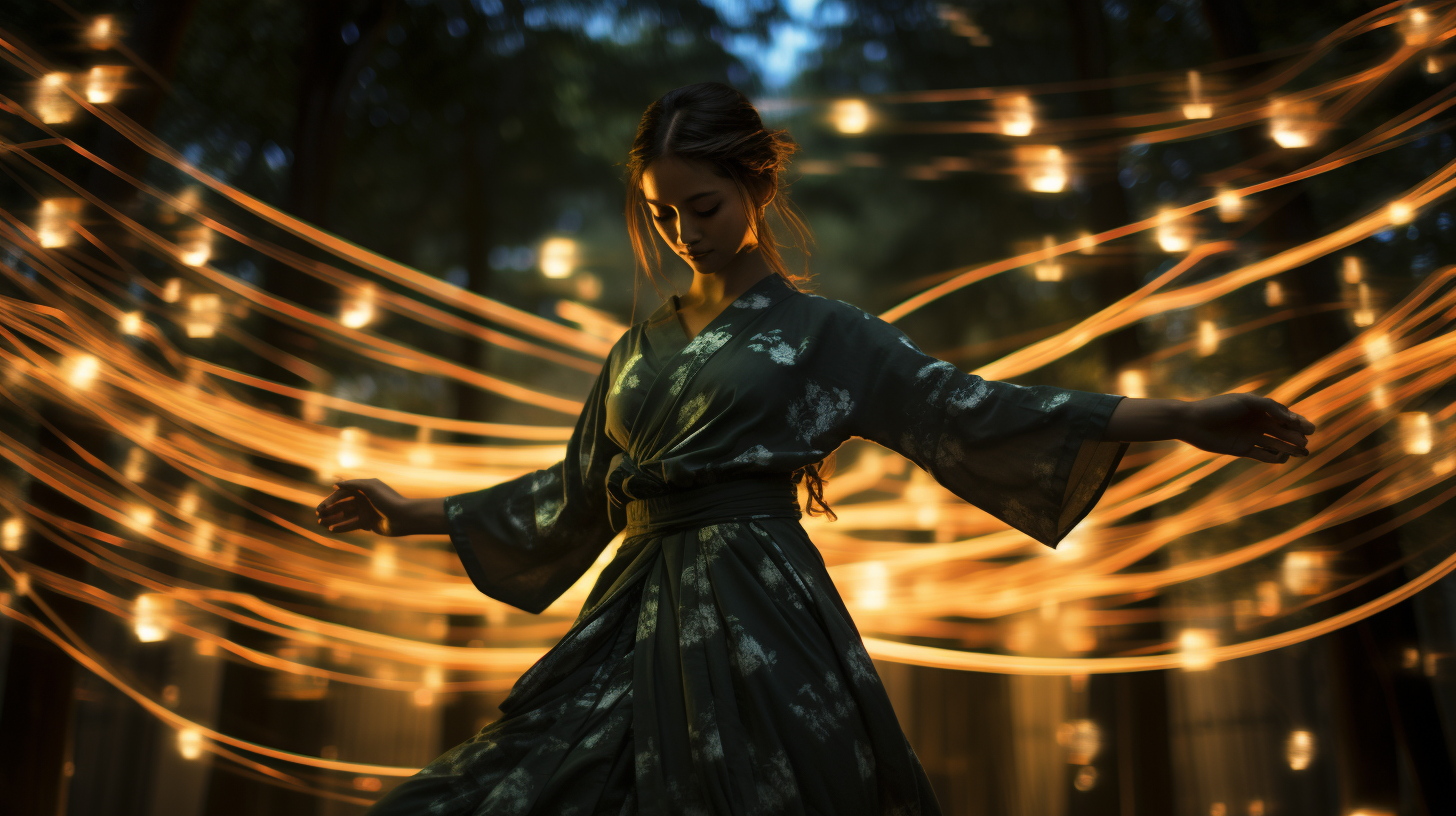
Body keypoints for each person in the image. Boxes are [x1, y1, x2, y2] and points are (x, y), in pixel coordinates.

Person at [315, 82, 1316, 815]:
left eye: (701, 206)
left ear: (755, 182)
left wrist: (1181, 416)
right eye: (663, 215)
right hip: (629, 618)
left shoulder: (827, 336)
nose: (683, 233)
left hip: (761, 620)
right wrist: (408, 511)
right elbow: (577, 491)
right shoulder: (637, 348)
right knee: (500, 792)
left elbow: (972, 407)